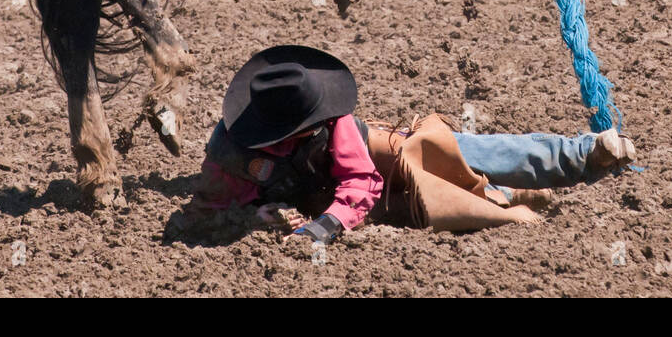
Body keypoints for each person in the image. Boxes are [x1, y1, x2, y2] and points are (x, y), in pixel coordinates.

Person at [181, 45, 637, 246]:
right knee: (451, 213)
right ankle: (507, 197)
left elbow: (360, 180)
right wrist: (252, 218)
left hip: (384, 163)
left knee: (462, 154)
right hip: (347, 204)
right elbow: (205, 210)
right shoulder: (229, 157)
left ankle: (581, 152)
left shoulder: (334, 126)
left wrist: (323, 227)